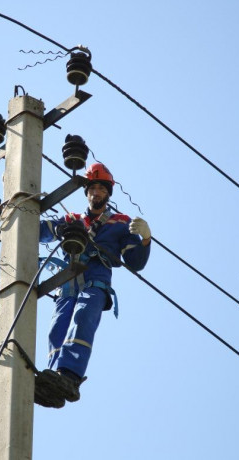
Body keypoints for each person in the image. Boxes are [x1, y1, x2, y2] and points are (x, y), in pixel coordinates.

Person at [36, 163, 151, 408]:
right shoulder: (73, 220)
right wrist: (23, 211)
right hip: (67, 281)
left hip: (95, 278)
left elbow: (135, 262)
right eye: (92, 188)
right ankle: (53, 376)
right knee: (57, 326)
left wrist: (145, 239)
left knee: (83, 318)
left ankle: (70, 376)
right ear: (87, 192)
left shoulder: (120, 222)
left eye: (101, 189)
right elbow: (41, 231)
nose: (96, 193)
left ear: (108, 194)